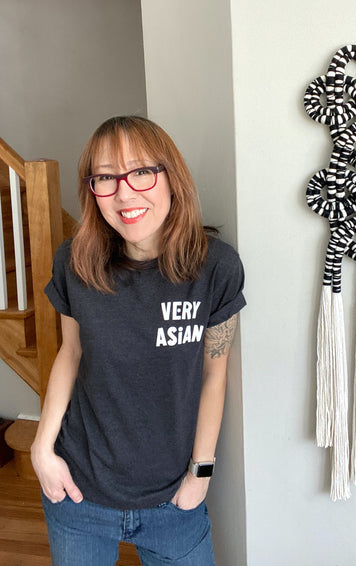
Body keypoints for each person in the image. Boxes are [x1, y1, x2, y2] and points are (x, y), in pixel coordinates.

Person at [30, 115, 246, 565]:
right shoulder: (75, 262)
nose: (125, 193)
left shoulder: (215, 268)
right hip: (78, 494)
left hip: (173, 501)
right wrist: (42, 448)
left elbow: (214, 373)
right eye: (106, 178)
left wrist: (201, 474)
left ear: (172, 176)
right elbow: (71, 353)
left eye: (141, 172)